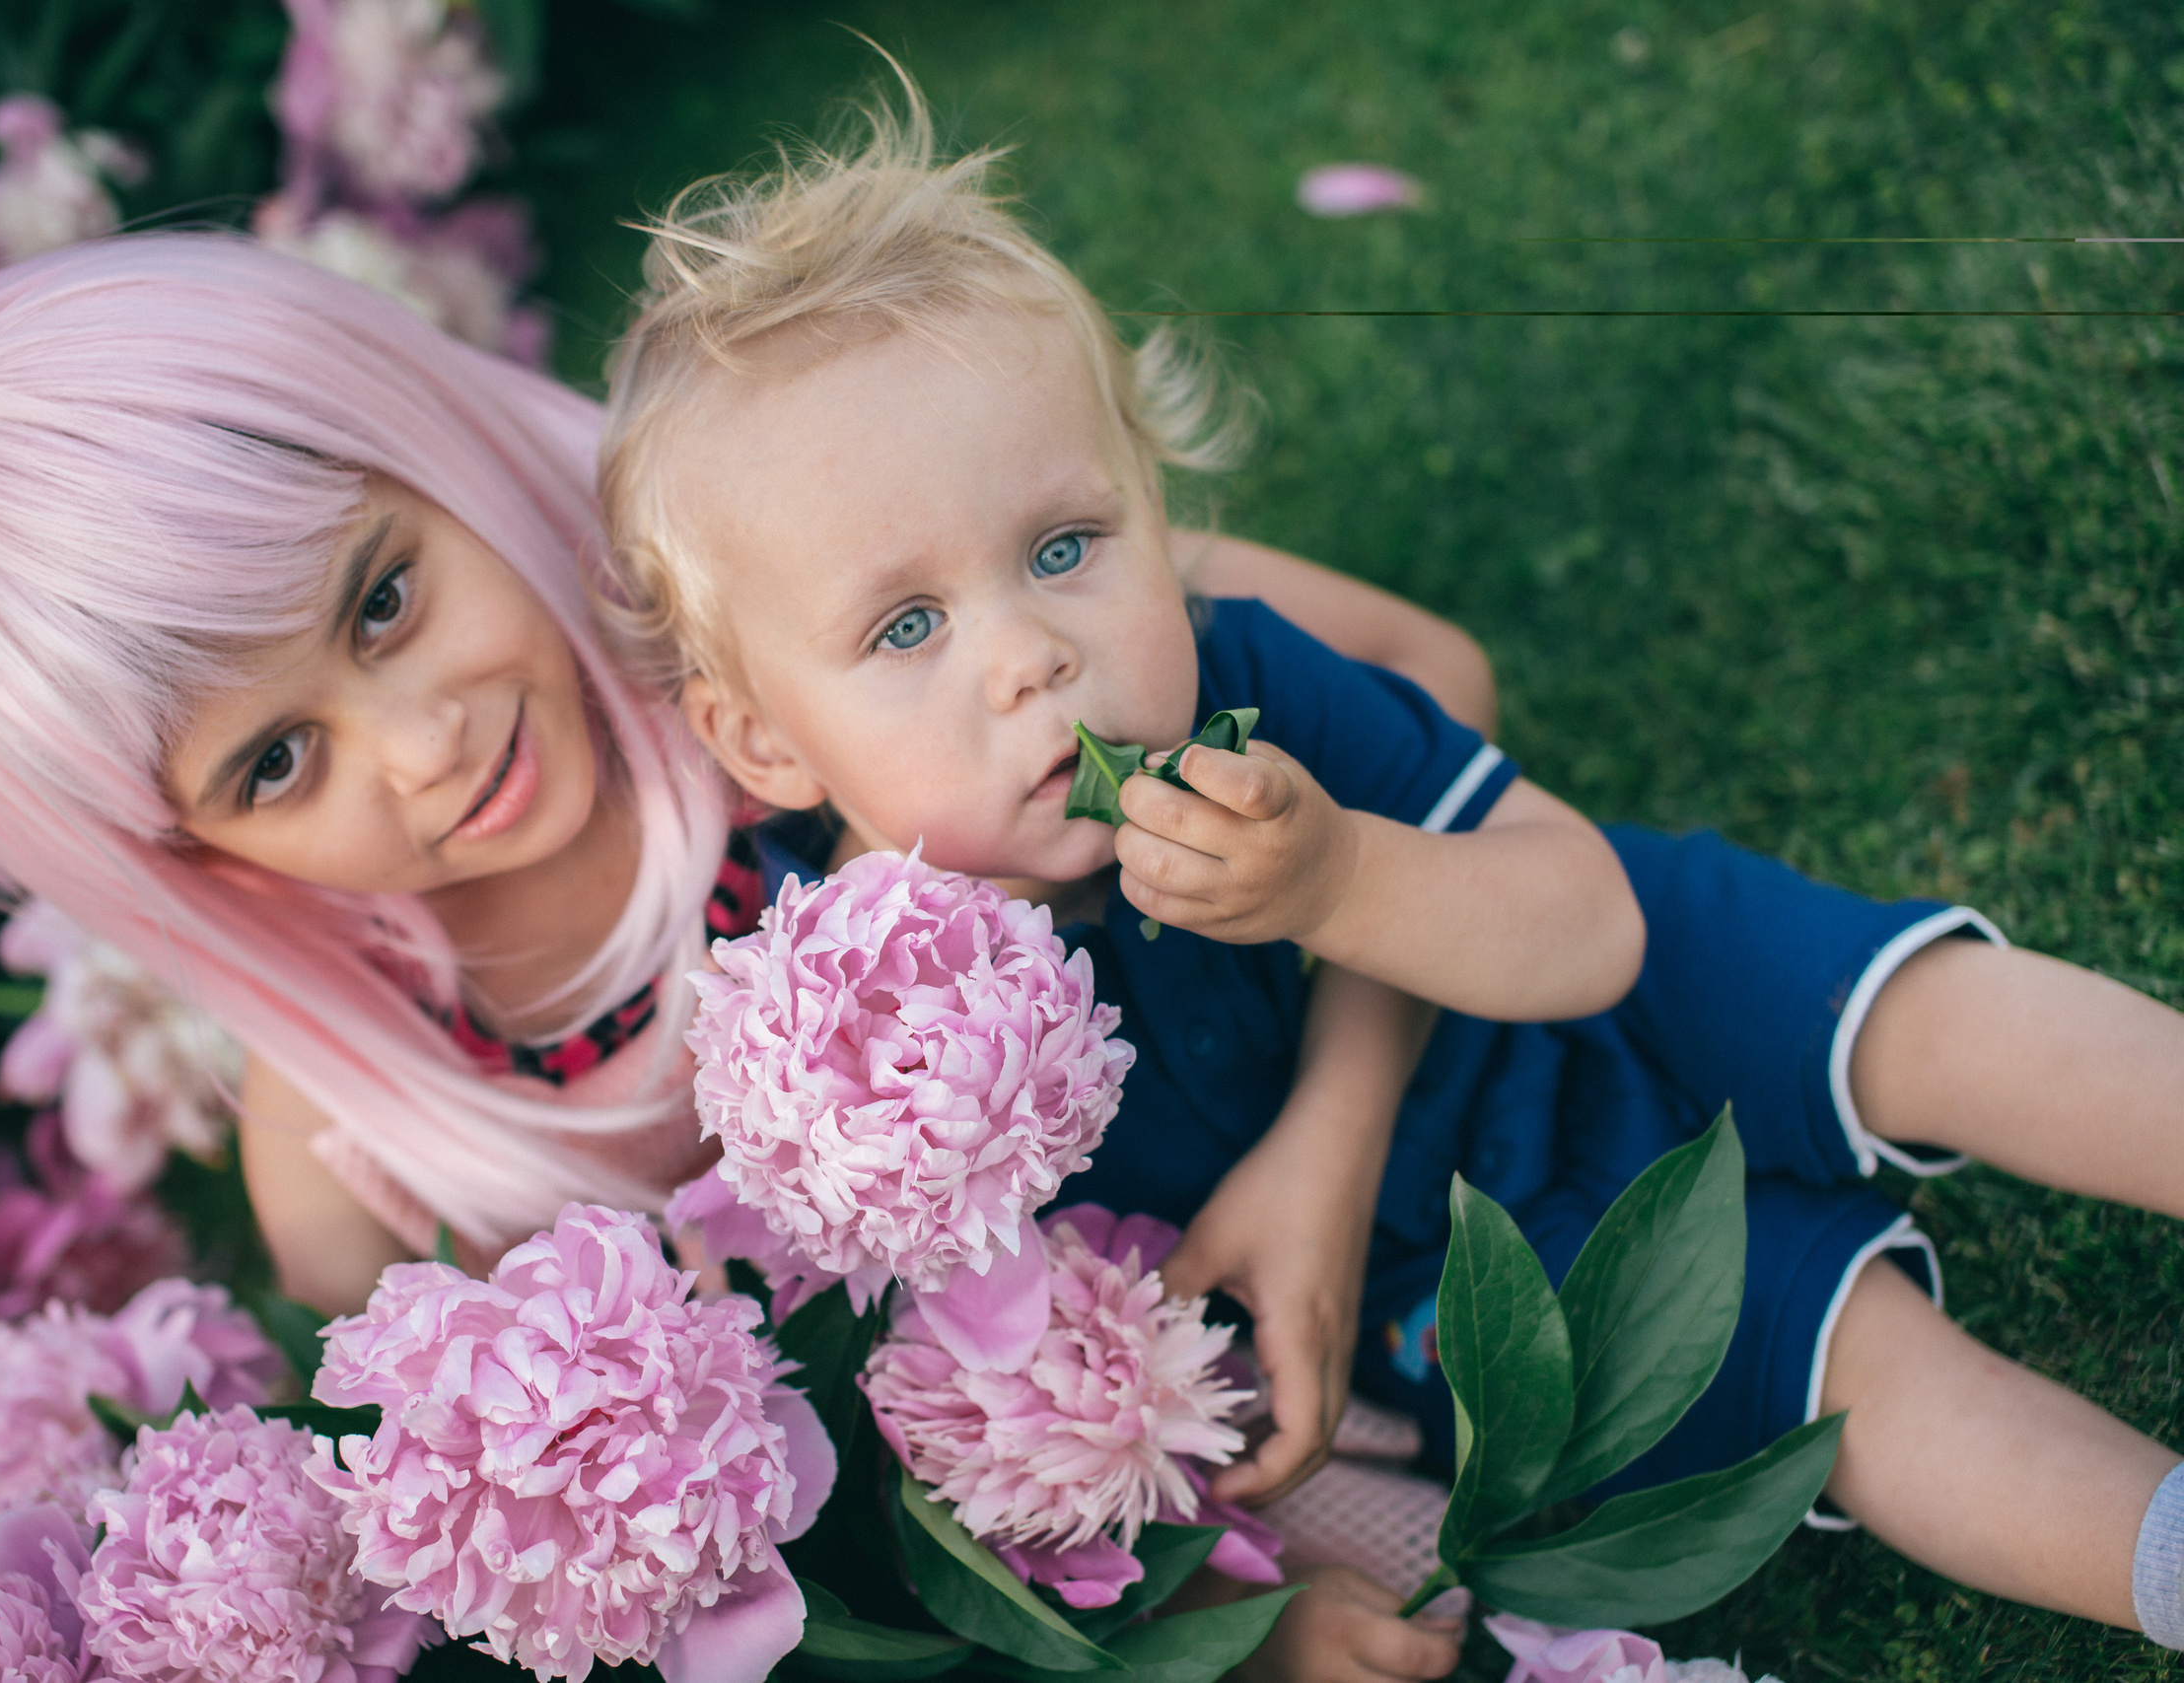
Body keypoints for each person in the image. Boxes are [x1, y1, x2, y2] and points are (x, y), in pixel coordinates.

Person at [592, 76, 2184, 1683]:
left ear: (1155, 505)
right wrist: (1240, 1608)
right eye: (905, 627)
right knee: (1857, 1379)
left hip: (1615, 988)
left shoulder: (1244, 682)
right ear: (763, 740)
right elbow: (995, 1417)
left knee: (1945, 1024)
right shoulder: (853, 1065)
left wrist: (1338, 876)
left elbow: (1589, 926)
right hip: (1475, 1266)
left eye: (1065, 546)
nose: (1031, 655)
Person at [0, 231, 1484, 1326]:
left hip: (1358, 1174)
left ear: (437, 447)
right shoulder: (358, 1153)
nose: (425, 745)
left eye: (383, 599)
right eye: (274, 763)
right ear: (196, 857)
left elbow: (1421, 678)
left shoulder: (805, 594)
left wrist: (1333, 1139)